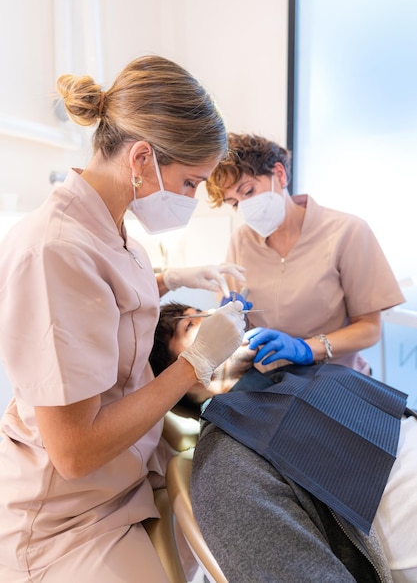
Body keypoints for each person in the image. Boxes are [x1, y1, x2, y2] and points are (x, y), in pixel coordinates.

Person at [0, 55, 247, 583]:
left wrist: (171, 278)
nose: (191, 201)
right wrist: (196, 363)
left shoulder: (113, 225)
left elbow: (104, 305)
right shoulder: (54, 250)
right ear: (141, 159)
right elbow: (74, 451)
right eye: (189, 184)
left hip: (130, 474)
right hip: (68, 513)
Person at [149, 304, 417, 582]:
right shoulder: (226, 462)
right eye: (191, 325)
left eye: (206, 310)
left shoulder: (290, 377)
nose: (217, 317)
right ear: (177, 376)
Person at [208, 132, 405, 375]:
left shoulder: (347, 232)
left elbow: (369, 328)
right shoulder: (241, 240)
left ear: (279, 174)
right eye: (234, 203)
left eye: (248, 192)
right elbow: (239, 315)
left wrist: (307, 348)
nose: (244, 209)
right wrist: (232, 318)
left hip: (334, 380)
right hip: (270, 382)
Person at [149, 301, 256, 416]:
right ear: (173, 368)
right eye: (189, 325)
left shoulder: (268, 374)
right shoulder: (222, 429)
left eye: (200, 313)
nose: (213, 312)